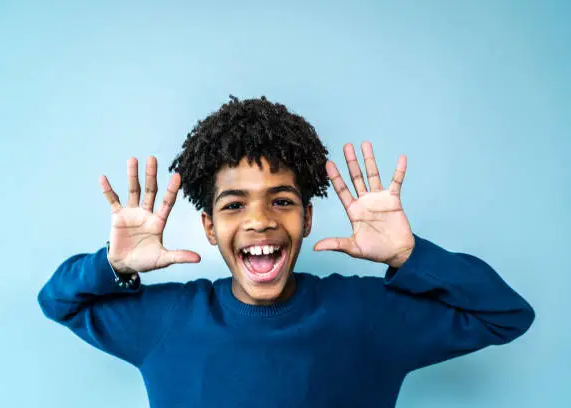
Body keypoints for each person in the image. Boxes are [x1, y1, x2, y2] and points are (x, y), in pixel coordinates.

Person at [38, 96, 535, 407]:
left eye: (282, 200)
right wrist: (113, 264)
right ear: (209, 228)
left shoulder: (368, 315)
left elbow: (506, 315)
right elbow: (57, 301)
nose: (260, 220)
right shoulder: (166, 319)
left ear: (308, 218)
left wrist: (408, 254)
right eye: (234, 205)